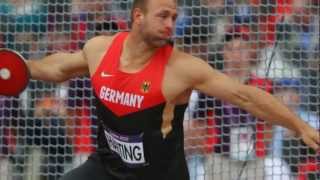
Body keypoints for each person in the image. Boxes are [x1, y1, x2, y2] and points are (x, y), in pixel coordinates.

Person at [15, 0, 318, 180]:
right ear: (138, 16)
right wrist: (21, 65)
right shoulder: (99, 49)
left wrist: (298, 124)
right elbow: (58, 68)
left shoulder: (183, 68)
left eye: (174, 17)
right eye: (162, 15)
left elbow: (246, 96)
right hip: (106, 167)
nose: (170, 23)